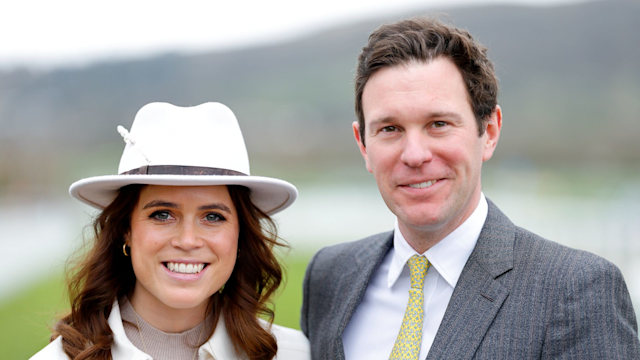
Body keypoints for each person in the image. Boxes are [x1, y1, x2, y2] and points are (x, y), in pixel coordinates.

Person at [300, 17, 640, 359]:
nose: (415, 155)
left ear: (489, 131)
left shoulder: (576, 290)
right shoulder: (330, 276)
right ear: (363, 145)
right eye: (390, 129)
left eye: (438, 124)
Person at [31, 102, 310, 360]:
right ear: (125, 229)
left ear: (240, 235)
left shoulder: (295, 354)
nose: (187, 240)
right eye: (162, 215)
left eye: (212, 216)